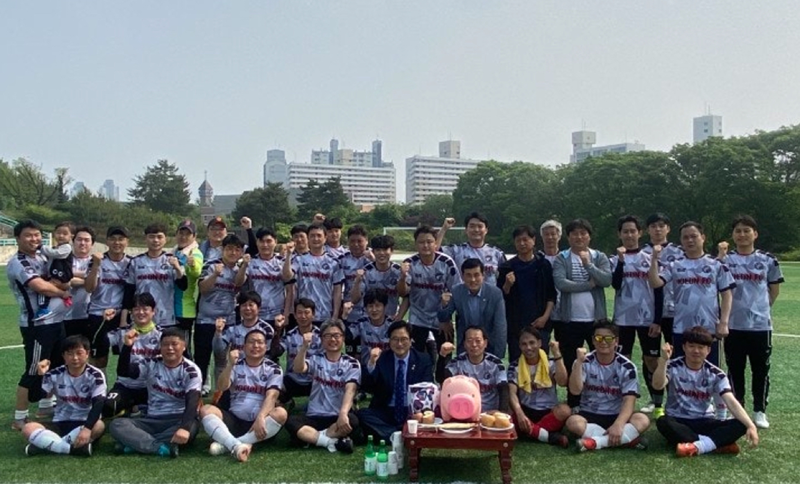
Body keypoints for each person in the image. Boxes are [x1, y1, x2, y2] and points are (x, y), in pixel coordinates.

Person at [717, 215, 783, 429]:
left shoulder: (768, 260)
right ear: (733, 235)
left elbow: (773, 289)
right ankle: (739, 408)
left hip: (760, 326)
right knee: (734, 369)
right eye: (738, 231)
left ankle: (760, 410)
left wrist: (761, 310)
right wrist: (720, 255)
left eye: (747, 230)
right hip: (733, 325)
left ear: (755, 234)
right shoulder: (727, 260)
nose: (742, 234)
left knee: (760, 369)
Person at [653, 327, 759, 457]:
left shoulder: (716, 373)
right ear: (684, 347)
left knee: (741, 423)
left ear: (708, 350)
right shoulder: (672, 366)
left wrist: (750, 425)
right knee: (663, 422)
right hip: (678, 419)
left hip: (704, 420)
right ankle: (714, 444)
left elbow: (730, 400)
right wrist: (663, 360)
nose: (696, 351)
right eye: (691, 346)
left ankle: (695, 445)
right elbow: (657, 385)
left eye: (701, 347)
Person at [9, 220, 72, 431]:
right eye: (29, 235)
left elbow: (62, 277)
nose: (34, 239)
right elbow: (39, 286)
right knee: (34, 369)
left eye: (37, 235)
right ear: (18, 238)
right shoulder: (18, 262)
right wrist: (62, 292)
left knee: (56, 366)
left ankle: (46, 406)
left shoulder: (44, 256)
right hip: (37, 325)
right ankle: (20, 417)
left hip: (56, 322)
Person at [647, 221, 734, 365]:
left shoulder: (716, 264)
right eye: (685, 238)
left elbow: (726, 294)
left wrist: (724, 322)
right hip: (681, 328)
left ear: (703, 237)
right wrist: (654, 259)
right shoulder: (675, 265)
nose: (690, 240)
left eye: (693, 236)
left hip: (709, 328)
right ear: (681, 241)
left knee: (710, 371)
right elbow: (655, 283)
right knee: (680, 370)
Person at [110, 328, 202, 458]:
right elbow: (124, 372)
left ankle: (134, 444)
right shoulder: (151, 363)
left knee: (191, 428)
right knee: (117, 424)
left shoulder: (191, 371)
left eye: (174, 344)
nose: (170, 348)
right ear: (160, 346)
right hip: (151, 419)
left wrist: (184, 428)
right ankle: (158, 447)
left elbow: (193, 401)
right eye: (165, 344)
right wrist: (127, 346)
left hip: (177, 419)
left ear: (184, 347)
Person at [200, 328, 288, 462]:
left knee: (281, 413)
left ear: (266, 346)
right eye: (251, 342)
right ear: (244, 346)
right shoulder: (236, 365)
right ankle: (237, 445)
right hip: (234, 419)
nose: (256, 346)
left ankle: (228, 445)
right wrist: (229, 365)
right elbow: (222, 386)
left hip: (260, 423)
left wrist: (261, 417)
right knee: (206, 409)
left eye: (260, 342)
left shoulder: (274, 369)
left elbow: (272, 396)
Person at [551, 218, 612, 408]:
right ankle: (574, 403)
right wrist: (587, 285)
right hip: (569, 321)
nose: (579, 237)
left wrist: (589, 266)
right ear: (568, 237)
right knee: (571, 363)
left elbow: (606, 280)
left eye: (583, 233)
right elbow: (561, 283)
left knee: (599, 362)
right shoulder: (562, 257)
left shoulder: (599, 256)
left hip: (595, 321)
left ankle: (596, 400)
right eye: (574, 233)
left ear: (589, 236)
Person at [565, 320, 650, 451]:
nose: (603, 342)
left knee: (642, 420)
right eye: (598, 338)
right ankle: (626, 441)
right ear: (593, 340)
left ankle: (595, 443)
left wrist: (619, 424)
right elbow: (575, 391)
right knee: (573, 423)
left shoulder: (627, 367)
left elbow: (629, 401)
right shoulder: (583, 361)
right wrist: (578, 363)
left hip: (616, 413)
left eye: (609, 338)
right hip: (590, 413)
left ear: (616, 341)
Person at [610, 215, 664, 418]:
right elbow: (615, 284)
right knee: (622, 360)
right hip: (623, 319)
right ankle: (622, 402)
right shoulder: (615, 258)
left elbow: (659, 289)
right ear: (620, 234)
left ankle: (656, 402)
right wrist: (621, 263)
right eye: (625, 231)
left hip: (647, 319)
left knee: (652, 360)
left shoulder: (650, 256)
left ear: (640, 233)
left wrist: (657, 319)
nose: (629, 235)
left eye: (633, 231)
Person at [284, 319, 360, 454]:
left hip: (337, 416)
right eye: (328, 336)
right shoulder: (316, 358)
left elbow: (351, 389)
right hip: (315, 415)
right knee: (291, 421)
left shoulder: (352, 363)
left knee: (353, 421)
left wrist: (343, 414)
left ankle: (311, 438)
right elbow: (298, 368)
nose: (332, 339)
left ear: (342, 338)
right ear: (322, 339)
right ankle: (330, 441)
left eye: (337, 336)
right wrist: (304, 347)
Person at [22, 335, 106, 456]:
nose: (75, 358)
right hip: (60, 421)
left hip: (84, 422)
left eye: (79, 353)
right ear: (63, 356)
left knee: (99, 426)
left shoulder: (95, 375)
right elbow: (34, 397)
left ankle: (47, 445)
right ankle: (70, 448)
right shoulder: (55, 374)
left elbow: (98, 404)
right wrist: (39, 376)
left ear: (87, 353)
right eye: (70, 354)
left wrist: (87, 429)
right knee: (28, 428)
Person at [397, 225, 461, 382]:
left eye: (429, 242)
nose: (425, 245)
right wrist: (403, 277)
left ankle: (445, 391)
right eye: (421, 242)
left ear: (435, 243)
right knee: (417, 359)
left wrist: (446, 319)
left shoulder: (447, 263)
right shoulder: (410, 263)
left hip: (441, 320)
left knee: (444, 360)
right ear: (415, 244)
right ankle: (418, 391)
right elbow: (403, 293)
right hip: (417, 319)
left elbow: (456, 292)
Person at [358, 320, 434, 442]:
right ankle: (398, 434)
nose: (399, 344)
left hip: (411, 410)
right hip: (387, 408)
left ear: (411, 341)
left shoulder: (422, 360)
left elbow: (428, 388)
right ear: (389, 341)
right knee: (362, 415)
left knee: (426, 419)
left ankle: (389, 433)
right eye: (395, 339)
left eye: (404, 339)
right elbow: (369, 387)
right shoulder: (383, 358)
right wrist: (371, 363)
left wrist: (420, 411)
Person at [497, 225, 556, 361]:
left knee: (541, 363)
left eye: (525, 239)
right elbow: (501, 297)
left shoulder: (543, 265)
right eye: (518, 240)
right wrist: (507, 285)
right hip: (516, 325)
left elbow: (551, 295)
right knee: (517, 363)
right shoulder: (507, 267)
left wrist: (545, 317)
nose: (522, 243)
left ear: (533, 240)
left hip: (540, 324)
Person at [196, 234, 245, 396]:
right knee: (202, 359)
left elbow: (238, 284)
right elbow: (202, 289)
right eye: (229, 249)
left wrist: (244, 266)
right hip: (205, 320)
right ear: (222, 250)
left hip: (228, 321)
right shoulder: (210, 265)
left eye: (237, 250)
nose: (233, 252)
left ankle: (221, 393)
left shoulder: (239, 270)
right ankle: (197, 395)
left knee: (223, 360)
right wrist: (215, 275)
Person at [507, 327, 570, 447]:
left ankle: (529, 432)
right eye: (524, 344)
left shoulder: (551, 362)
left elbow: (562, 382)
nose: (528, 348)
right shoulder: (514, 366)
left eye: (532, 343)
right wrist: (520, 413)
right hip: (526, 410)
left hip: (549, 411)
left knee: (565, 410)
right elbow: (512, 393)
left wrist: (557, 355)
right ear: (520, 346)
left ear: (540, 343)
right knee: (506, 415)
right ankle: (548, 436)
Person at [103, 293, 162, 418]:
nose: (141, 312)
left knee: (161, 412)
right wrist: (105, 323)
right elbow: (98, 345)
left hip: (150, 386)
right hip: (125, 385)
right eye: (136, 309)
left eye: (145, 309)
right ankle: (131, 407)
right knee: (108, 408)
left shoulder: (162, 335)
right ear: (131, 312)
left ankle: (135, 407)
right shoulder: (123, 332)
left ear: (153, 312)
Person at [84, 226, 132, 373]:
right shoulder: (96, 261)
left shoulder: (132, 263)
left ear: (127, 242)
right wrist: (96, 266)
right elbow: (89, 288)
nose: (117, 243)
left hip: (122, 315)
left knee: (128, 355)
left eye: (121, 239)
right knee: (99, 356)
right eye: (113, 239)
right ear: (107, 241)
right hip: (98, 315)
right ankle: (99, 390)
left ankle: (124, 389)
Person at [438, 258, 507, 358]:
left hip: (489, 345)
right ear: (463, 276)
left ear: (483, 275)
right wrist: (444, 305)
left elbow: (500, 326)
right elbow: (443, 317)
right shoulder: (456, 291)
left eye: (476, 275)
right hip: (465, 345)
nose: (473, 279)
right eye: (468, 275)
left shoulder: (495, 293)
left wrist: (499, 354)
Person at [123, 223, 187, 329]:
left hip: (166, 318)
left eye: (159, 237)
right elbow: (128, 292)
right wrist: (124, 319)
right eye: (151, 237)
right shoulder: (136, 262)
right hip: (141, 317)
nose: (156, 240)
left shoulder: (173, 260)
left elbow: (183, 286)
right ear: (146, 239)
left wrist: (177, 268)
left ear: (165, 239)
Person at [442, 326, 509, 414]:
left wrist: (502, 412)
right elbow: (442, 379)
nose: (474, 345)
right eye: (469, 341)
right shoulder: (458, 362)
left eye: (478, 341)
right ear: (464, 344)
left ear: (485, 343)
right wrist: (443, 356)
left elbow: (503, 388)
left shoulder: (495, 364)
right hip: (464, 411)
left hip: (489, 412)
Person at [234, 228, 295, 324]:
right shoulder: (251, 261)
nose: (265, 245)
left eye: (269, 241)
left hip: (277, 315)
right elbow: (238, 283)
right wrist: (244, 265)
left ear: (275, 242)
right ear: (257, 243)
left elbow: (289, 288)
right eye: (262, 241)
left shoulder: (282, 261)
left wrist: (286, 314)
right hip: (255, 314)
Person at [641, 213, 683, 350]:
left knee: (675, 352)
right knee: (650, 355)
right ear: (648, 230)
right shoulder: (642, 253)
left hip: (674, 311)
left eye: (661, 226)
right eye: (653, 226)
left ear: (668, 228)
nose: (657, 229)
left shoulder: (679, 252)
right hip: (649, 311)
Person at [293, 223, 344, 324]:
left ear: (325, 238)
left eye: (319, 235)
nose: (316, 239)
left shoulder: (334, 262)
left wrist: (335, 315)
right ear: (307, 238)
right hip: (304, 315)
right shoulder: (298, 260)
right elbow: (289, 282)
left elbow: (337, 291)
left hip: (325, 314)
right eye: (312, 236)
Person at [437, 212, 506, 286]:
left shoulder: (497, 253)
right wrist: (444, 228)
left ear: (486, 230)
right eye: (472, 226)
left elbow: (505, 278)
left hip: (489, 296)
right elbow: (434, 251)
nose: (476, 230)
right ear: (466, 230)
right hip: (463, 295)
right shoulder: (456, 250)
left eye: (480, 226)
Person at [277, 299, 323, 407]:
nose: (303, 316)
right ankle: (287, 403)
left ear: (313, 315)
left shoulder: (322, 336)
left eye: (306, 313)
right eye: (299, 313)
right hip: (293, 378)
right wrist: (278, 330)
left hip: (315, 379)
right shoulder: (290, 335)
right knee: (274, 387)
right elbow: (277, 351)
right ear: (295, 315)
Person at [213, 291, 280, 362]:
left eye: (251, 305)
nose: (247, 308)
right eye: (244, 305)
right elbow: (219, 351)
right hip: (236, 369)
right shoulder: (232, 328)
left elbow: (268, 356)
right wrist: (218, 332)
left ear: (258, 308)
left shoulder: (266, 330)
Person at [350, 235, 402, 319]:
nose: (381, 253)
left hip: (391, 319)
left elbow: (406, 295)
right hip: (369, 321)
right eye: (378, 250)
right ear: (373, 252)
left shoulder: (398, 271)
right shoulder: (366, 271)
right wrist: (357, 281)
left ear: (391, 251)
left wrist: (399, 316)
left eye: (385, 249)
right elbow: (354, 300)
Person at [172, 219, 204, 354]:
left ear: (194, 237)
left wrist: (192, 265)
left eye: (188, 234)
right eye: (181, 233)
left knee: (183, 350)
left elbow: (197, 271)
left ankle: (192, 375)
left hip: (184, 309)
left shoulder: (194, 253)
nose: (183, 237)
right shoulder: (175, 252)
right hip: (171, 308)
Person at [34, 221, 74, 321]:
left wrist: (41, 247)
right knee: (48, 287)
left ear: (71, 236)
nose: (61, 236)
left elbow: (54, 253)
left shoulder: (66, 247)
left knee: (44, 289)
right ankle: (64, 297)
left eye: (65, 234)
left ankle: (43, 308)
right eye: (58, 233)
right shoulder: (58, 247)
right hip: (57, 274)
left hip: (61, 275)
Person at [62, 226, 95, 339]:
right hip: (64, 316)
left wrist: (71, 276)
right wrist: (87, 278)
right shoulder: (64, 260)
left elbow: (94, 285)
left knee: (85, 353)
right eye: (79, 239)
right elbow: (63, 280)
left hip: (88, 315)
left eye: (86, 240)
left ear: (92, 244)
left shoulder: (95, 262)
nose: (82, 243)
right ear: (73, 241)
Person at [348, 288, 393, 368]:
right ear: (365, 308)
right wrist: (344, 316)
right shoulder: (361, 323)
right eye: (370, 306)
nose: (374, 310)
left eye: (378, 306)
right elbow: (346, 335)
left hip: (388, 369)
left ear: (384, 306)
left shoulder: (392, 325)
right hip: (366, 367)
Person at [539, 219, 563, 353]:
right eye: (546, 234)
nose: (550, 237)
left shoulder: (566, 258)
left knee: (564, 347)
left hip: (564, 309)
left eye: (553, 234)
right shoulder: (537, 259)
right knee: (542, 347)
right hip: (543, 311)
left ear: (559, 236)